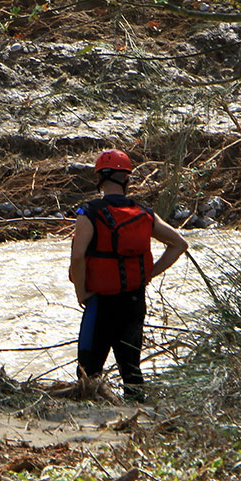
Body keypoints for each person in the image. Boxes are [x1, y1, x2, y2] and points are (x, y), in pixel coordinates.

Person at [69, 149, 188, 402]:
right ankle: (137, 421)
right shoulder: (144, 213)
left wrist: (81, 291)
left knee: (87, 371)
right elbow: (179, 244)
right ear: (127, 178)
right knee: (131, 369)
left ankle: (86, 425)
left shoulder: (89, 213)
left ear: (100, 178)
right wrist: (147, 275)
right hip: (134, 300)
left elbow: (78, 257)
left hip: (99, 301)